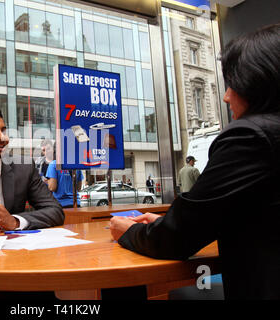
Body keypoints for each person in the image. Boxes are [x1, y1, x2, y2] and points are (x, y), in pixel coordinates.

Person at [110, 24, 280, 299]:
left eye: (233, 84)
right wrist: (181, 221)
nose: (226, 96)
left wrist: (131, 231)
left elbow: (177, 240)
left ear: (258, 81)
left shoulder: (250, 136)